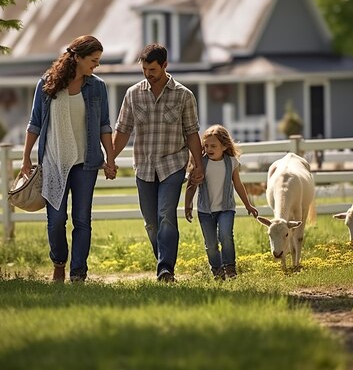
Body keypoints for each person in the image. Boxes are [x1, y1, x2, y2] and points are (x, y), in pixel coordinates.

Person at [21, 35, 117, 283]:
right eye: (93, 60)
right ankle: (59, 263)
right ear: (78, 57)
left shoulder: (97, 86)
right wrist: (26, 159)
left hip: (86, 163)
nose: (96, 65)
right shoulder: (47, 83)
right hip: (53, 161)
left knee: (82, 219)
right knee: (56, 221)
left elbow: (105, 125)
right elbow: (35, 124)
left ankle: (78, 274)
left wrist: (111, 158)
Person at [112, 44, 204, 282]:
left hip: (172, 164)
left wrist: (198, 164)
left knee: (165, 214)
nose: (147, 73)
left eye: (152, 69)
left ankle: (165, 269)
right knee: (151, 223)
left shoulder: (184, 95)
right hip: (144, 166)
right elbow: (122, 130)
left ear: (164, 66)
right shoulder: (133, 94)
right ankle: (163, 262)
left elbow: (192, 133)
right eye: (144, 69)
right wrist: (110, 159)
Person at [184, 125, 259, 280]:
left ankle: (230, 268)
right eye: (206, 146)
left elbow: (238, 184)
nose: (209, 149)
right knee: (211, 244)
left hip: (226, 209)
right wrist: (188, 204)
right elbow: (191, 185)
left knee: (225, 236)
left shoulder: (231, 162)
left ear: (224, 146)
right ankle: (217, 270)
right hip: (205, 211)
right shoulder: (201, 163)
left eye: (213, 146)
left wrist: (248, 205)